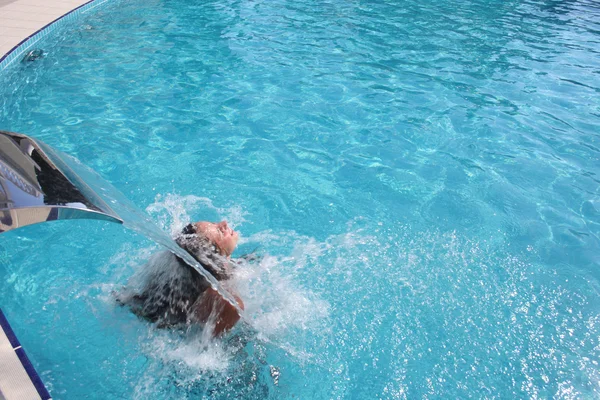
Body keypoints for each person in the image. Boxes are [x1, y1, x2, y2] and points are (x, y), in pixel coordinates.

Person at [117, 220, 244, 336]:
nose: (224, 223)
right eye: (220, 231)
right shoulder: (225, 301)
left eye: (215, 224)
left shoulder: (180, 275)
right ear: (214, 257)